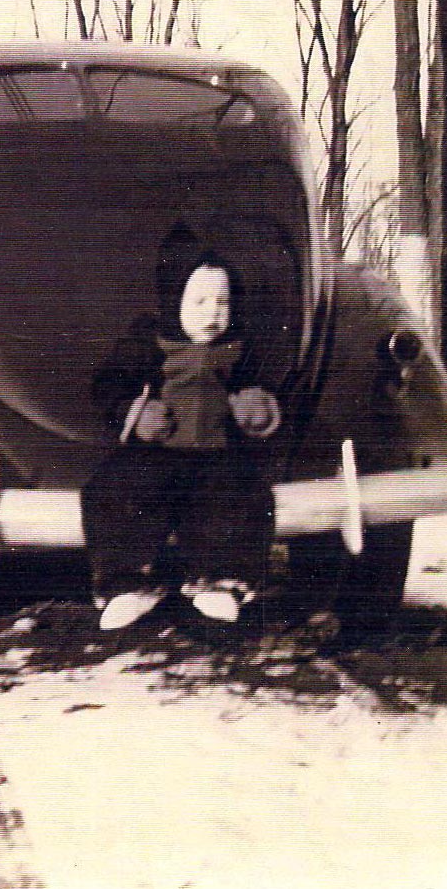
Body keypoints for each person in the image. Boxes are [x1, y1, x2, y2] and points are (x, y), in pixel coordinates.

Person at [81, 222, 281, 631]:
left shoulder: (241, 349)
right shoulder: (149, 343)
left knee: (237, 493)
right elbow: (108, 385)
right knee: (115, 489)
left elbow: (265, 388)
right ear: (175, 303)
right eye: (201, 301)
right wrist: (135, 414)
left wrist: (258, 410)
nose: (214, 313)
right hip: (156, 451)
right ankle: (127, 582)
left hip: (218, 452)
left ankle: (221, 580)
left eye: (223, 302)